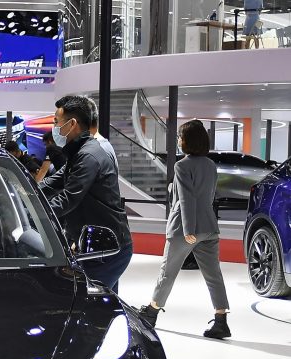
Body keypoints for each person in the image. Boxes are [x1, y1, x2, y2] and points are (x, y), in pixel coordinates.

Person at [138, 120, 231, 339]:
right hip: (209, 227)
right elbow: (208, 196)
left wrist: (189, 228)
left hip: (184, 228)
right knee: (213, 275)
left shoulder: (182, 166)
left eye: (180, 137)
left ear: (187, 140)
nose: (179, 141)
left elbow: (186, 199)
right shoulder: (210, 165)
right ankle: (221, 320)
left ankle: (151, 313)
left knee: (167, 272)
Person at [39, 95, 132, 292]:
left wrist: (35, 214)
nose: (54, 127)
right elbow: (53, 182)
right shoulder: (79, 152)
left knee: (85, 303)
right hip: (98, 246)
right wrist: (27, 191)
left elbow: (68, 198)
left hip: (107, 248)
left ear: (72, 124)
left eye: (56, 122)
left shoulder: (88, 155)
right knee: (105, 306)